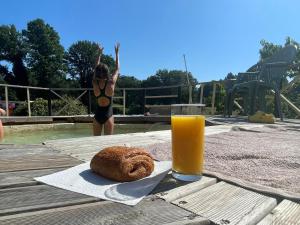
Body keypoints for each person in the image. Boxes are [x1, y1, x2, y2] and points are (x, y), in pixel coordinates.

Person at [92, 43, 120, 135]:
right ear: (107, 73)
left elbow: (96, 67)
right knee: (107, 144)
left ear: (97, 73)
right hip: (108, 115)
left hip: (97, 115)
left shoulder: (95, 82)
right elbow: (117, 69)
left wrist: (99, 53)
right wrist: (117, 54)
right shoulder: (111, 82)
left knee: (95, 142)